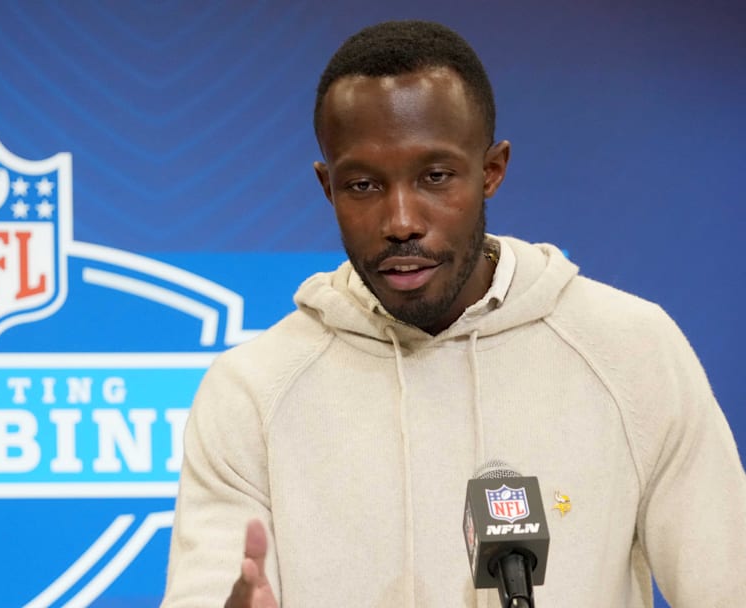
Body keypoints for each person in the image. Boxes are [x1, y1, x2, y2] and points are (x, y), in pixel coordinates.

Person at [161, 19, 746, 608]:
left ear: (491, 170)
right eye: (362, 185)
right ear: (327, 187)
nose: (400, 221)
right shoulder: (251, 393)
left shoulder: (631, 351)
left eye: (435, 176)